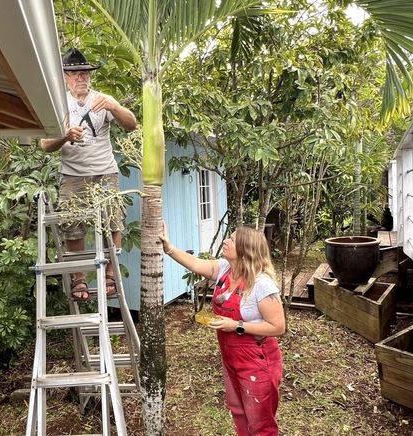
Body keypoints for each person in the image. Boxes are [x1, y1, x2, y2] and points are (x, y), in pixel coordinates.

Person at [160, 225, 286, 435]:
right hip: (231, 358)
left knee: (260, 423)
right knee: (239, 411)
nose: (226, 241)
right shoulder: (225, 269)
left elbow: (278, 326)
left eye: (233, 240)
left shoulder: (262, 284)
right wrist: (169, 248)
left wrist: (236, 325)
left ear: (246, 250)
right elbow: (196, 263)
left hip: (258, 361)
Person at [40, 48, 137, 301]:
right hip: (72, 174)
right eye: (74, 73)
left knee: (113, 219)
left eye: (84, 72)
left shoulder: (102, 100)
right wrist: (65, 136)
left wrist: (115, 106)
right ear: (65, 76)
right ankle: (80, 280)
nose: (80, 77)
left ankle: (110, 276)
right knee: (72, 225)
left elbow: (131, 124)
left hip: (105, 171)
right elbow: (45, 144)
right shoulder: (57, 104)